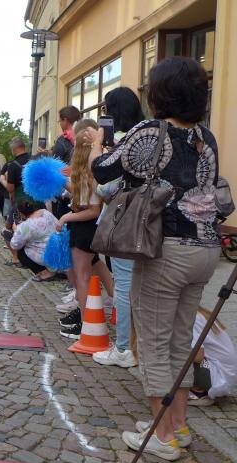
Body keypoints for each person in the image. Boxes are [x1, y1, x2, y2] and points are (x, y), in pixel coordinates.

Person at [91, 57, 220, 460]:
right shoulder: (205, 136)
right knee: (181, 340)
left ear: (159, 94)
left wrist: (96, 143)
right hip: (205, 248)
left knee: (153, 344)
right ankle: (177, 425)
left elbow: (103, 170)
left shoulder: (152, 130)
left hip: (166, 249)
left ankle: (162, 437)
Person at [90, 87, 145, 368]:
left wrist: (97, 145)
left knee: (124, 286)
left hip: (128, 222)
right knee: (145, 288)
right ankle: (139, 346)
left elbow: (102, 180)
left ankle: (124, 348)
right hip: (153, 221)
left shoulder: (125, 141)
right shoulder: (149, 135)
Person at [55, 119, 104, 340]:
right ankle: (89, 319)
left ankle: (85, 324)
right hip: (85, 227)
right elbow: (83, 198)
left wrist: (66, 217)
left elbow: (92, 210)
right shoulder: (88, 171)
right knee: (88, 274)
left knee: (82, 278)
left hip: (84, 228)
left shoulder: (87, 173)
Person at [7, 198, 58, 280]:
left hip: (46, 255)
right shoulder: (45, 212)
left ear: (21, 213)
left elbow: (14, 245)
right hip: (60, 249)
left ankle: (46, 271)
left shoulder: (24, 226)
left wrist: (16, 230)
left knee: (21, 252)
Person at [2, 137, 32, 266]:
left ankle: (16, 258)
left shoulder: (13, 165)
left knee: (9, 228)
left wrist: (3, 180)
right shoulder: (34, 159)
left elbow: (10, 188)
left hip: (20, 202)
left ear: (14, 149)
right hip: (37, 201)